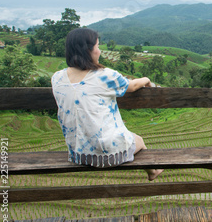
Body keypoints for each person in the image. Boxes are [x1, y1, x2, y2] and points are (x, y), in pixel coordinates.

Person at [51, 28, 163, 180]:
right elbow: (132, 86)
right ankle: (153, 172)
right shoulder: (104, 76)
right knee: (139, 141)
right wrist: (146, 79)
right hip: (107, 155)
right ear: (88, 50)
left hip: (77, 154)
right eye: (97, 46)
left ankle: (153, 171)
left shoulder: (57, 78)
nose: (99, 51)